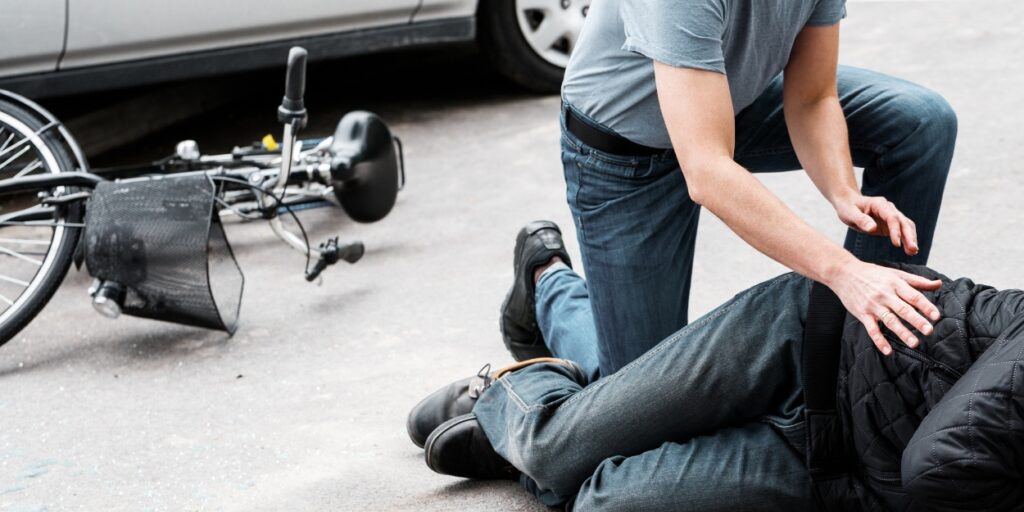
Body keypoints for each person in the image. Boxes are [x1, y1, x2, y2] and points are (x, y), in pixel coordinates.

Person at [408, 224, 1024, 511]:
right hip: (807, 341)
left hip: (838, 476)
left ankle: (553, 421)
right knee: (552, 451)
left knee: (598, 501)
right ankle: (519, 381)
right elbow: (940, 464)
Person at [499, 0, 958, 379]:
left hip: (730, 102)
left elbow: (812, 97)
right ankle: (548, 282)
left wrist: (844, 192)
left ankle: (857, 361)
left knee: (920, 121)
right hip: (624, 153)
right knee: (637, 397)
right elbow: (708, 171)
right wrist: (843, 271)